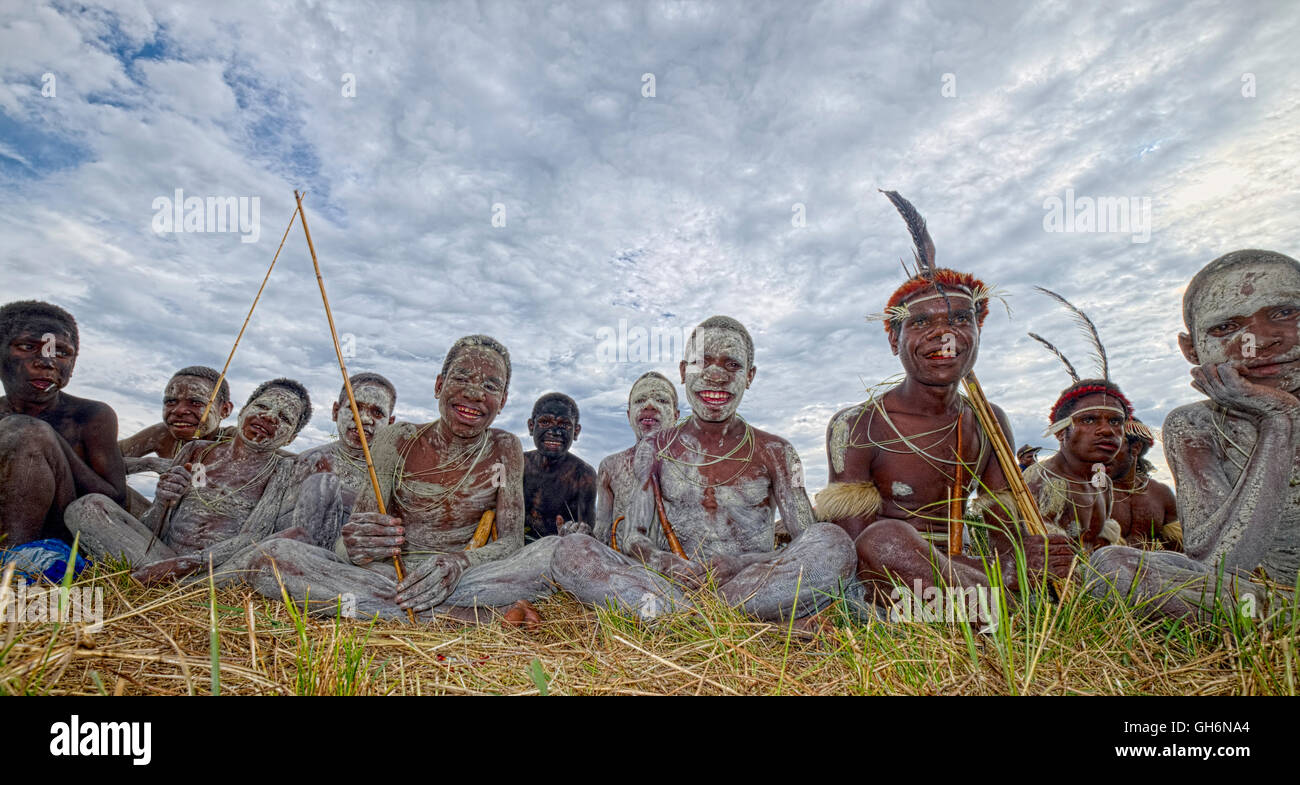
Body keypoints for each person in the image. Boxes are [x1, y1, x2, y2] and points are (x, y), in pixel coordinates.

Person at [820, 193, 1073, 607]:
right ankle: (996, 610)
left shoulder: (988, 420)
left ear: (978, 330)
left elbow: (1001, 522)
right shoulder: (858, 425)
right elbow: (855, 549)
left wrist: (1029, 551)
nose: (945, 335)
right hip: (890, 580)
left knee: (1047, 547)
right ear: (893, 340)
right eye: (922, 322)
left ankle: (987, 608)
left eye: (960, 319)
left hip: (961, 573)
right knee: (885, 539)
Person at [228, 336, 565, 625]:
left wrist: (458, 563)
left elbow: (510, 544)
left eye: (491, 386)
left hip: (467, 576)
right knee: (271, 558)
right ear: (438, 386)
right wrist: (357, 544)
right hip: (391, 573)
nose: (476, 393)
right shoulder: (398, 439)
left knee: (555, 553)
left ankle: (381, 608)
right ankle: (453, 617)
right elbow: (351, 545)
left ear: (503, 402)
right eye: (462, 378)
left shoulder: (504, 447)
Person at [551, 316, 857, 625]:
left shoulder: (778, 452)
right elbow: (634, 537)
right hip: (667, 586)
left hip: (751, 585)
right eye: (701, 363)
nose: (715, 375)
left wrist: (738, 564)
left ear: (750, 376)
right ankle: (691, 617)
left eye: (732, 365)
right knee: (571, 551)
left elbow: (807, 540)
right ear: (684, 372)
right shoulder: (655, 447)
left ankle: (695, 619)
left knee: (833, 542)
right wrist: (667, 564)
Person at [1089, 250, 1300, 619]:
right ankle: (1280, 624)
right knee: (1112, 566)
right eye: (1225, 328)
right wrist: (1278, 423)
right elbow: (1217, 564)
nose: (1259, 341)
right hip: (1271, 603)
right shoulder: (1196, 426)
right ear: (1192, 349)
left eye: (1284, 313)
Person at [64, 379, 315, 585]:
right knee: (87, 507)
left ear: (290, 438)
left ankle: (169, 583)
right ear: (242, 411)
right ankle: (156, 578)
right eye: (262, 406)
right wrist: (163, 500)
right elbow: (155, 529)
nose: (269, 417)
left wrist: (183, 565)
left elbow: (253, 538)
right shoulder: (197, 451)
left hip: (211, 574)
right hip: (155, 555)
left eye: (284, 418)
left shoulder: (283, 471)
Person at [0, 300, 125, 547]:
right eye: (28, 347)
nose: (47, 362)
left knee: (26, 433)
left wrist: (49, 442)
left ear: (73, 364)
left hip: (59, 534)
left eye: (61, 352)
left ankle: (11, 566)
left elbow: (116, 499)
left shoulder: (90, 416)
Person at [118, 365, 235, 515]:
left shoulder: (237, 441)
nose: (178, 410)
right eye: (171, 402)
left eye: (196, 402)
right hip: (160, 523)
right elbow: (100, 459)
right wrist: (149, 464)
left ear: (225, 410)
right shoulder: (163, 434)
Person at [593, 372, 679, 545]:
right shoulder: (611, 467)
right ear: (628, 414)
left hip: (676, 566)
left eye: (661, 400)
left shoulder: (693, 466)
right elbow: (601, 534)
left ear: (676, 416)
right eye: (640, 401)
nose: (649, 405)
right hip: (624, 566)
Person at [522, 392, 596, 541]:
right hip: (514, 547)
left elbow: (587, 534)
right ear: (531, 426)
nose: (555, 432)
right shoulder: (518, 464)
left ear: (576, 431)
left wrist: (575, 534)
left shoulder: (583, 474)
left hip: (559, 549)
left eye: (564, 425)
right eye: (545, 422)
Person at [1106, 418, 1180, 549]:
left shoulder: (1160, 494)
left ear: (1136, 448)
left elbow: (1181, 552)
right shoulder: (1085, 492)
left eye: (1110, 446)